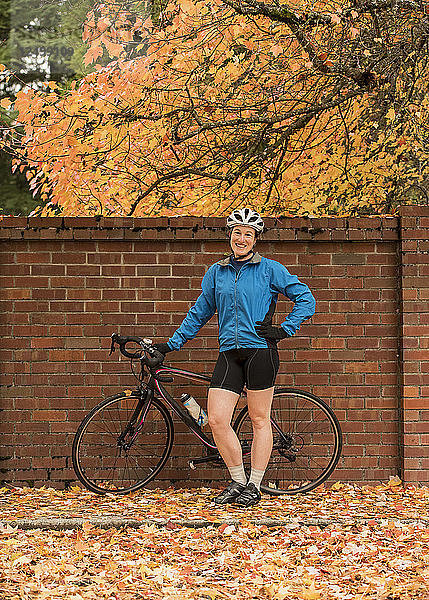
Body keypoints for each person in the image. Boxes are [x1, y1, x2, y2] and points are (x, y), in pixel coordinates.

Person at [154, 208, 316, 507]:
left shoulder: (270, 269)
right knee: (216, 419)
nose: (241, 239)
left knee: (258, 419)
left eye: (248, 234)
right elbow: (199, 313)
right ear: (230, 235)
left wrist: (283, 329)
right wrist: (171, 344)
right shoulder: (217, 272)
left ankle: (254, 485)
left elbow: (306, 299)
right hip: (229, 353)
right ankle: (238, 481)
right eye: (237, 233)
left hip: (260, 352)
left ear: (256, 240)